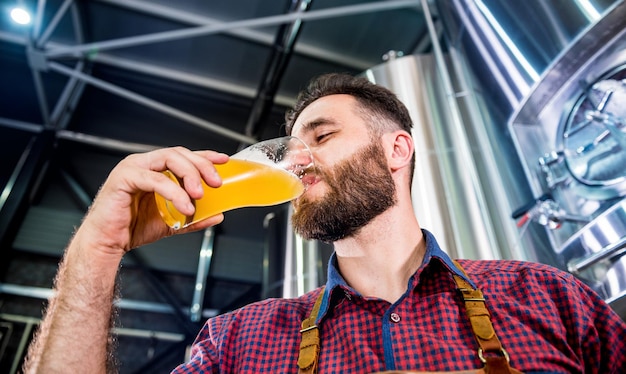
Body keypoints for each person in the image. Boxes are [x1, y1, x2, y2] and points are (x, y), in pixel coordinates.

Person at [22, 73, 626, 373]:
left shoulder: (548, 299)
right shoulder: (238, 343)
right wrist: (96, 250)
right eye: (288, 149)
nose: (297, 158)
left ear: (397, 150)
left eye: (323, 135)